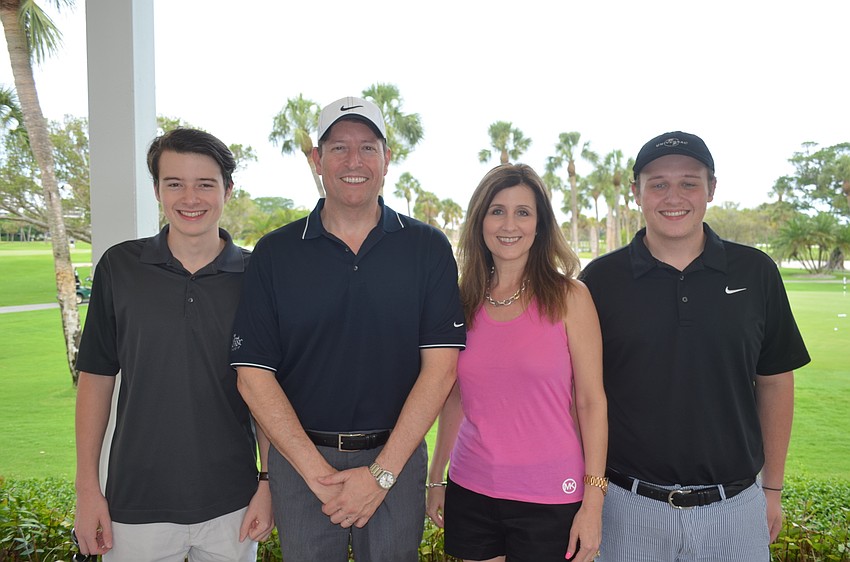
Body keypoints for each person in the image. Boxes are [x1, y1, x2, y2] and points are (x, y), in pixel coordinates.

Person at [230, 96, 466, 561]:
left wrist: (380, 475)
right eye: (338, 148)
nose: (353, 161)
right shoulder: (276, 253)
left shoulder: (427, 248)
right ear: (317, 161)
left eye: (367, 147)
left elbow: (440, 371)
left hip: (395, 461)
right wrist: (318, 476)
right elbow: (253, 375)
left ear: (386, 160)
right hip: (301, 464)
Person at [579, 131, 811, 561]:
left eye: (689, 182)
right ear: (636, 193)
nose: (674, 196)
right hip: (626, 510)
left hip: (736, 510)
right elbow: (582, 396)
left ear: (711, 189)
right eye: (658, 183)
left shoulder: (756, 271)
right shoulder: (599, 281)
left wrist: (772, 488)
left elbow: (776, 382)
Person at [74, 128, 274, 560]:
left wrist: (267, 482)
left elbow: (268, 392)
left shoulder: (258, 277)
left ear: (228, 190)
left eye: (205, 184)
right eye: (174, 184)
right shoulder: (120, 267)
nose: (190, 198)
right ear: (156, 190)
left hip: (232, 505)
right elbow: (96, 380)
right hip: (134, 504)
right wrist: (88, 489)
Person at [426, 163, 608, 562]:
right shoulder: (461, 301)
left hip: (551, 494)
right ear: (480, 221)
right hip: (472, 488)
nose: (510, 224)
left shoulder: (570, 298)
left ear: (540, 225)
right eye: (497, 210)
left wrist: (593, 501)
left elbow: (592, 402)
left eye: (523, 212)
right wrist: (436, 477)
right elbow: (454, 397)